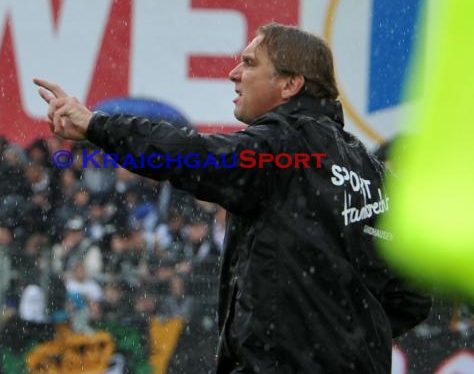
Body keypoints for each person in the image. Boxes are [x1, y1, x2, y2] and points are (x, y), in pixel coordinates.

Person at [34, 23, 432, 373]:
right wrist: (345, 339)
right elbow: (412, 295)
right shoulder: (372, 172)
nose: (233, 73)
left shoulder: (282, 147)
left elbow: (189, 155)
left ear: (290, 84)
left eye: (249, 62)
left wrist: (97, 125)